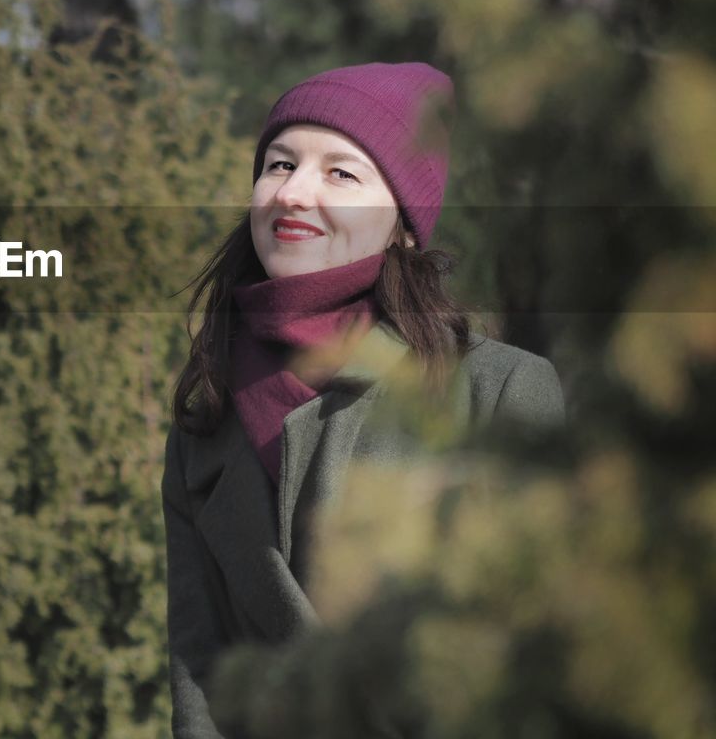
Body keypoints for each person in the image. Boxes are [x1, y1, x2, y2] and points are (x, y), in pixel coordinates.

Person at [161, 62, 565, 739]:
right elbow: (198, 675)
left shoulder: (501, 391)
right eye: (279, 165)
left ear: (404, 225)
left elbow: (537, 664)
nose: (292, 194)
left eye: (340, 174)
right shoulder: (205, 418)